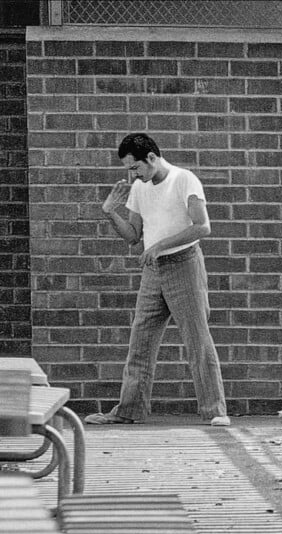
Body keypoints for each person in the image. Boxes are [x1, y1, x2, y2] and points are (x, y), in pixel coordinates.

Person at [84, 133, 229, 427]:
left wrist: (160, 245)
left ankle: (215, 411)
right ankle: (128, 410)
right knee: (140, 341)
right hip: (153, 271)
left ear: (151, 157)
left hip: (185, 264)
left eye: (135, 167)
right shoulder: (140, 188)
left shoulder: (184, 180)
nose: (132, 174)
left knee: (197, 340)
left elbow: (203, 227)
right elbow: (133, 236)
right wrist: (109, 212)